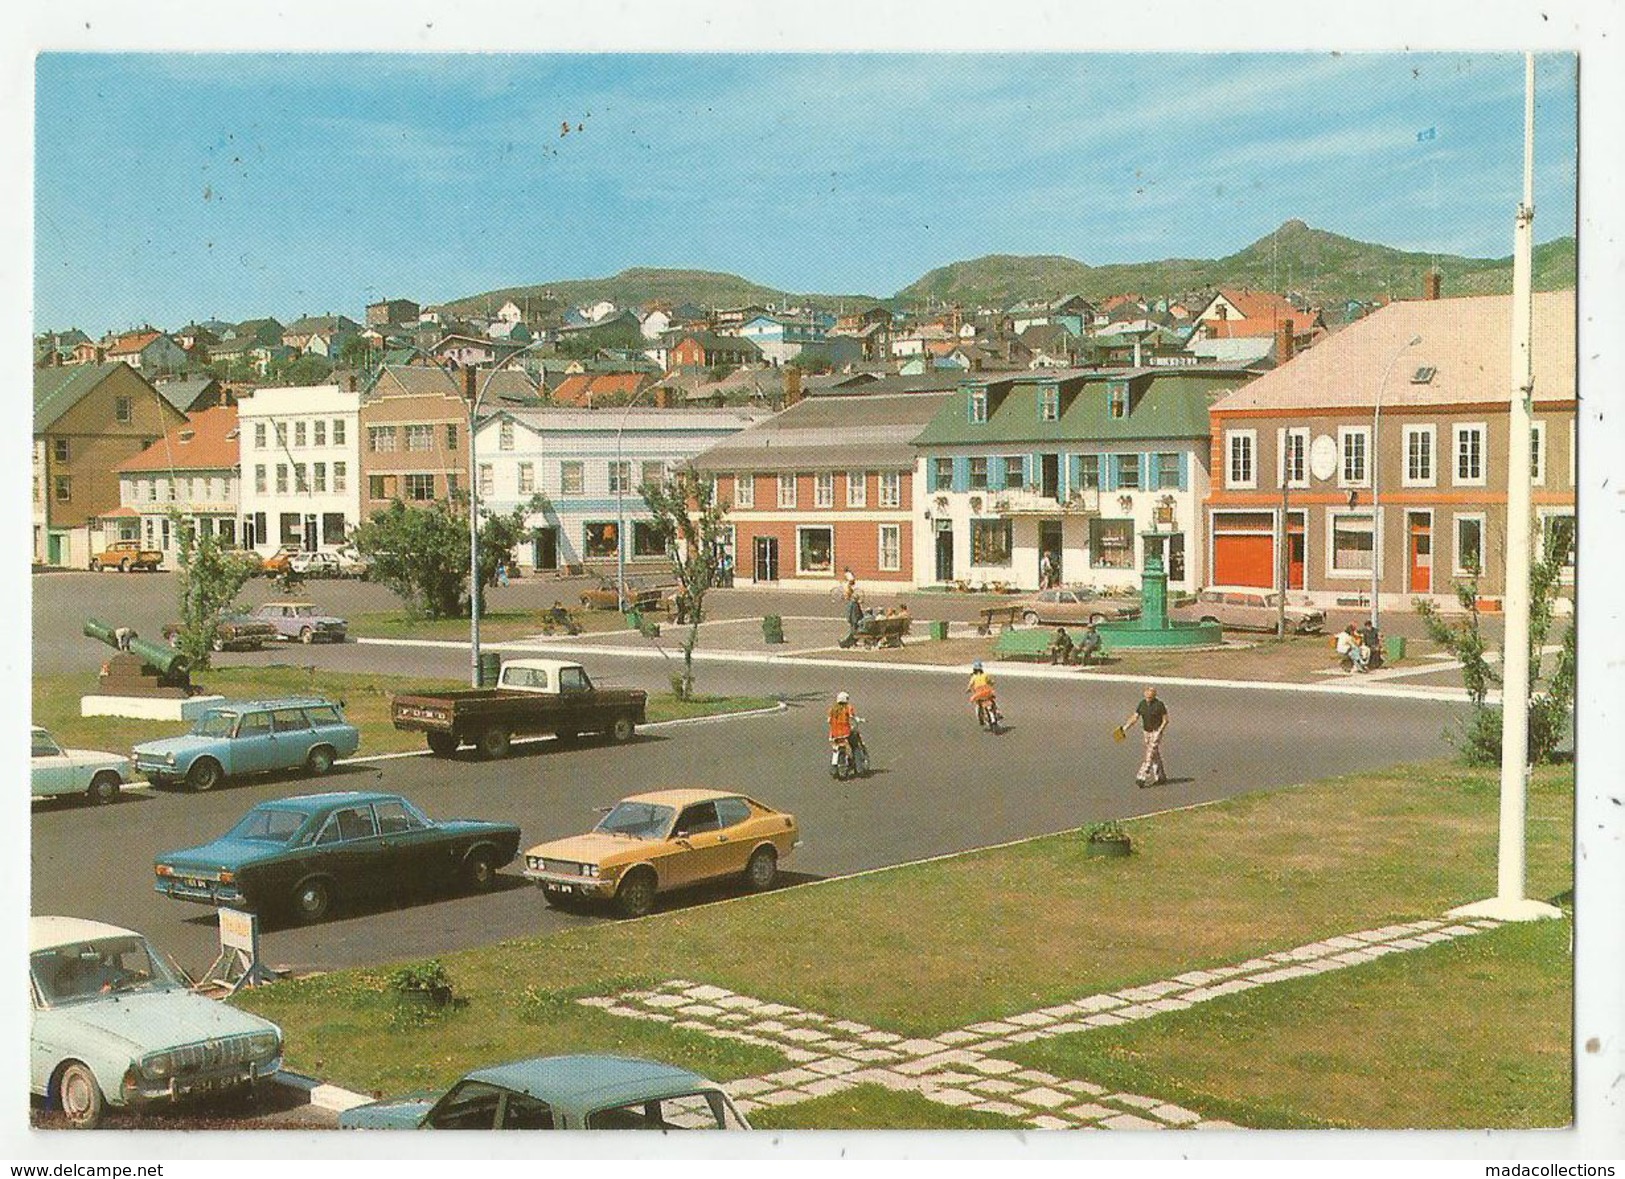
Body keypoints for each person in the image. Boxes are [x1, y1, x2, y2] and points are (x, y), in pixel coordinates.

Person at [1122, 686, 1169, 787]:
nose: (1148, 699)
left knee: (1150, 754)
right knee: (1154, 754)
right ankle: (1160, 776)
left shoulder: (1159, 705)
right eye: (1147, 696)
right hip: (1146, 732)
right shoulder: (1142, 704)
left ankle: (1142, 775)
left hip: (1156, 731)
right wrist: (1125, 728)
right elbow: (1135, 717)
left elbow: (1165, 720)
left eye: (1150, 697)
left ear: (1154, 696)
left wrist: (1160, 731)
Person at [828, 691, 866, 772]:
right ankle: (859, 767)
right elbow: (852, 717)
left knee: (835, 749)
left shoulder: (832, 709)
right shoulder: (848, 707)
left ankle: (834, 766)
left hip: (834, 734)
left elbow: (828, 720)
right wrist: (859, 720)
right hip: (845, 732)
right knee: (855, 746)